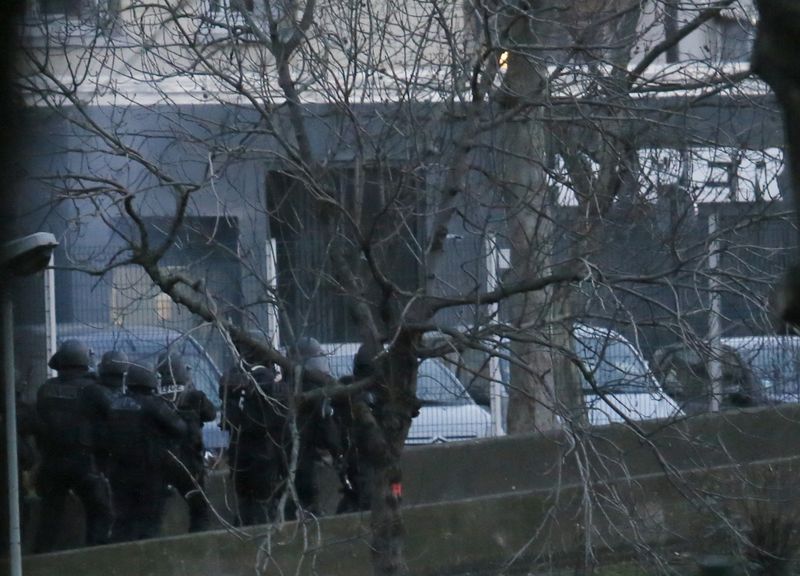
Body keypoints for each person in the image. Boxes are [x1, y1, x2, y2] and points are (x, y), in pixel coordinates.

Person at [34, 339, 112, 553]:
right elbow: (113, 417)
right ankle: (95, 557)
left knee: (49, 518)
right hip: (83, 463)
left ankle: (41, 561)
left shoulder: (45, 389)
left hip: (51, 463)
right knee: (100, 512)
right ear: (84, 361)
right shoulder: (93, 391)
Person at [106, 364, 187, 542]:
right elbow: (179, 428)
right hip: (149, 471)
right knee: (150, 521)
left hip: (119, 471)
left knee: (124, 520)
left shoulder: (115, 403)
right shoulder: (153, 404)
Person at [222, 364, 290, 525]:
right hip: (263, 459)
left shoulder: (235, 387)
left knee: (245, 505)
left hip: (239, 459)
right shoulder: (266, 395)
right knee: (263, 507)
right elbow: (280, 427)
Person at [157, 352, 217, 532]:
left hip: (161, 462)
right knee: (200, 511)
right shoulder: (193, 396)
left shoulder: (155, 396)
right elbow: (211, 414)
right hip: (189, 464)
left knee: (155, 513)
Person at [293, 337, 343, 518]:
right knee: (311, 510)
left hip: (288, 460)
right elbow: (326, 429)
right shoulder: (317, 392)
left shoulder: (288, 387)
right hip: (306, 461)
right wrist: (338, 452)